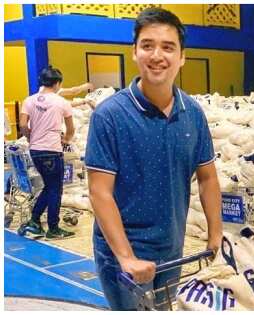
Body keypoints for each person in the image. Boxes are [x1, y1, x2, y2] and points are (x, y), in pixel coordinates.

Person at [85, 7, 223, 310]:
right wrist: (126, 258)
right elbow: (100, 192)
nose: (157, 55)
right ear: (134, 52)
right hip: (124, 255)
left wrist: (216, 235)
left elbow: (208, 177)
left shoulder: (193, 113)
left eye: (168, 47)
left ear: (182, 57)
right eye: (147, 45)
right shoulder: (110, 116)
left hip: (172, 249)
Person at [17, 66, 78, 239]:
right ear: (58, 83)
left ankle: (35, 220)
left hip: (35, 151)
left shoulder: (29, 100)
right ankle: (53, 228)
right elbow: (71, 129)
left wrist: (31, 138)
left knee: (49, 187)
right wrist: (65, 140)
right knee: (55, 189)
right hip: (52, 150)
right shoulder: (62, 102)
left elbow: (22, 125)